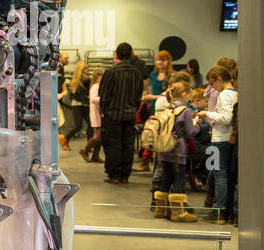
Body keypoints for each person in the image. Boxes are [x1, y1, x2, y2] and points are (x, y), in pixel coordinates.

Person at [150, 82, 198, 223]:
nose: (190, 97)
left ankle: (160, 209)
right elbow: (190, 132)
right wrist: (198, 125)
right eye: (190, 94)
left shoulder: (168, 107)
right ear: (184, 94)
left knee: (166, 178)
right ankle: (178, 213)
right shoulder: (186, 111)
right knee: (179, 179)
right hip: (178, 151)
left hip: (165, 150)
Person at [98, 42, 144, 184]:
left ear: (116, 54)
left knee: (113, 145)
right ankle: (125, 175)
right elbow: (138, 95)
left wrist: (103, 110)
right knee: (128, 145)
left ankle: (114, 174)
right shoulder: (137, 73)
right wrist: (133, 109)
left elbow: (103, 95)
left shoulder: (111, 72)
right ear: (131, 55)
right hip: (130, 114)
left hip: (112, 114)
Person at [197, 65, 237, 224]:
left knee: (218, 175)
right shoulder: (234, 93)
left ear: (219, 80)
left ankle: (218, 211)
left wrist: (208, 113)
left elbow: (226, 118)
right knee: (218, 173)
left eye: (212, 83)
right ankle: (220, 209)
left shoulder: (225, 95)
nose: (212, 87)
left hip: (220, 139)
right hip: (225, 139)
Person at [59, 60, 90, 150]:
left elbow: (74, 94)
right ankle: (66, 139)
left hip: (77, 104)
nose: (88, 69)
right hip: (82, 105)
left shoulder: (76, 79)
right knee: (80, 126)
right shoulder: (86, 80)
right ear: (82, 69)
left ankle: (88, 144)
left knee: (81, 125)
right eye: (86, 68)